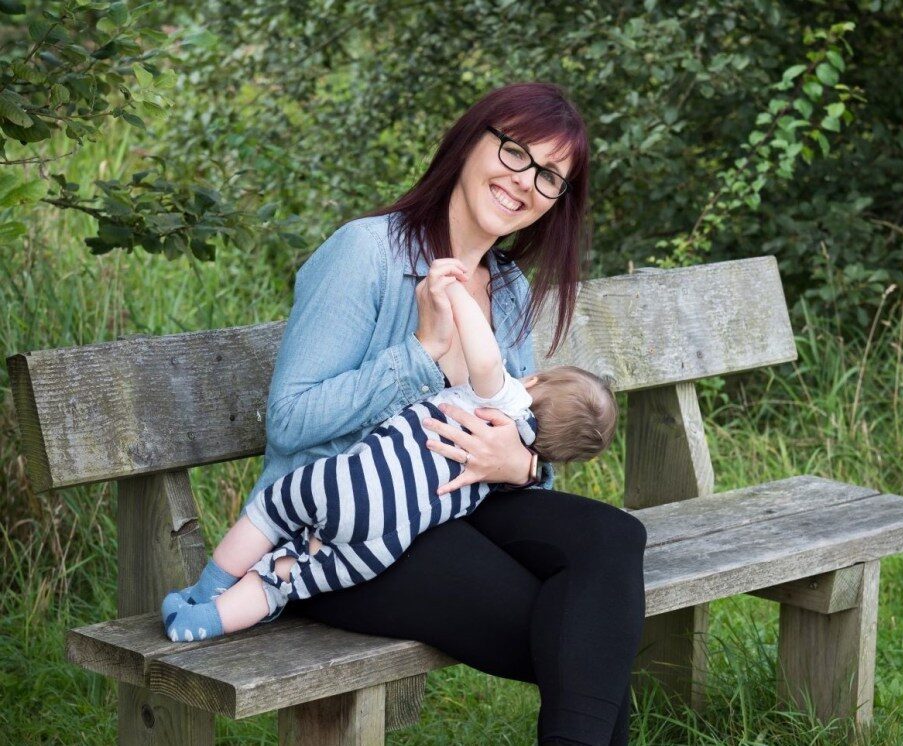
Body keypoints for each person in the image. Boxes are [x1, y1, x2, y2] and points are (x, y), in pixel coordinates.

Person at [181, 82, 647, 745]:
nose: (525, 183)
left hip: (459, 504)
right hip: (346, 521)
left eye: (549, 177)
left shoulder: (507, 288)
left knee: (612, 540)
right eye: (515, 153)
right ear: (470, 141)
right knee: (582, 635)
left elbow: (513, 413)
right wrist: (423, 352)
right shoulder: (365, 253)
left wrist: (521, 462)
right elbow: (290, 420)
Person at [161, 267, 619, 643]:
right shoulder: (510, 466)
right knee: (290, 575)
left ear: (534, 383)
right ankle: (208, 622)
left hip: (352, 483)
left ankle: (207, 590)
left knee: (270, 514)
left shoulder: (508, 404)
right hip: (383, 545)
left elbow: (487, 362)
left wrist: (457, 295)